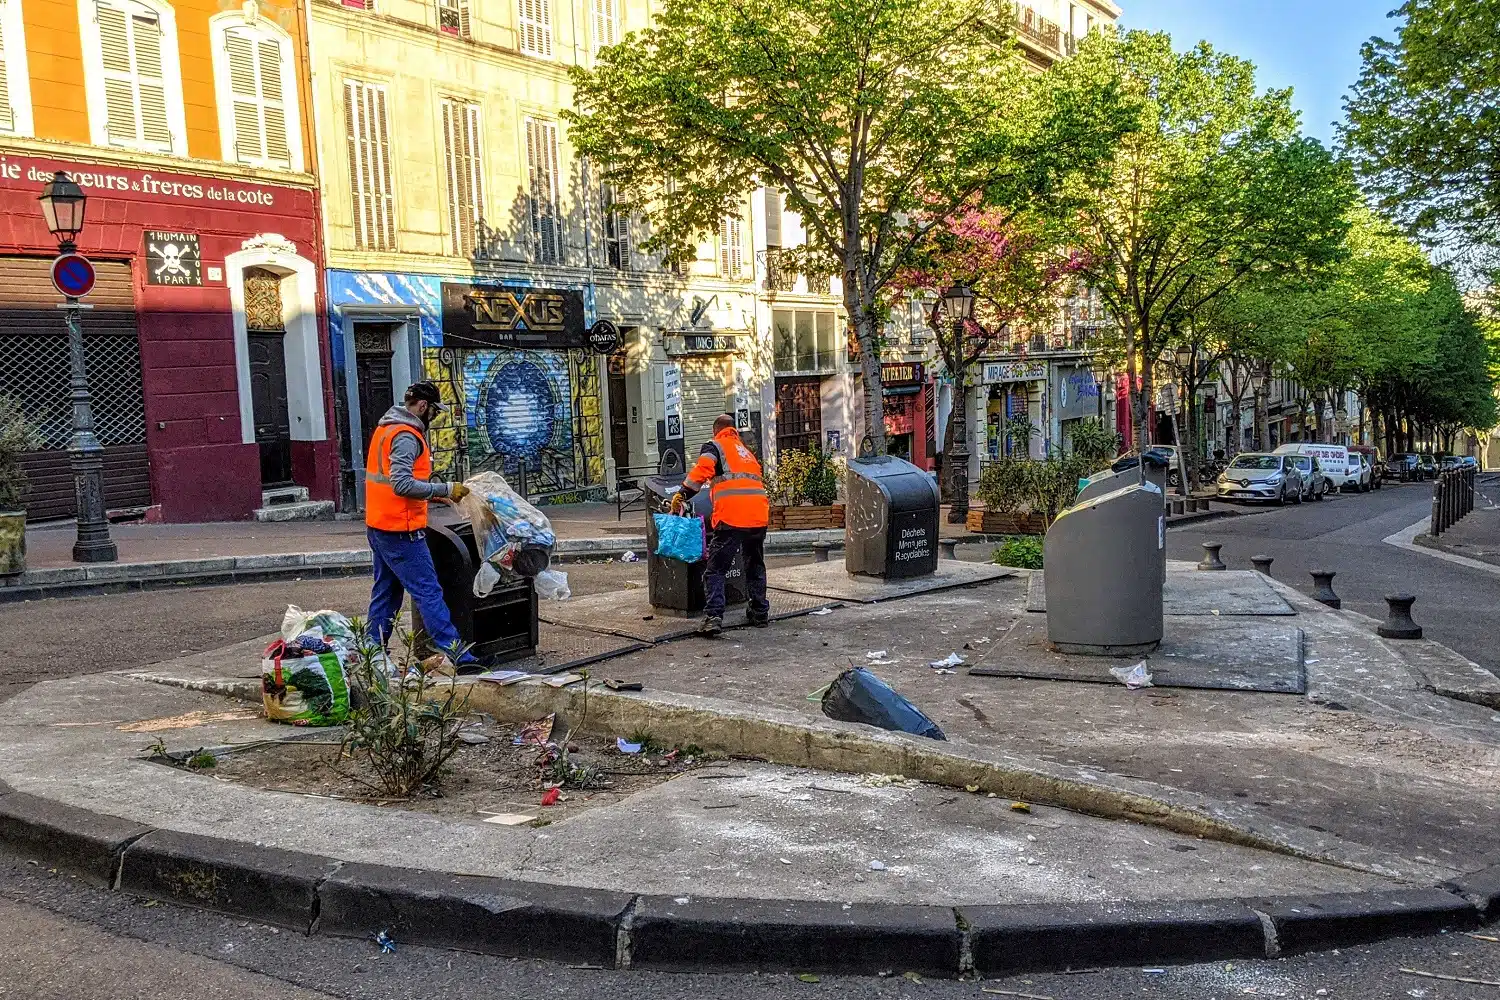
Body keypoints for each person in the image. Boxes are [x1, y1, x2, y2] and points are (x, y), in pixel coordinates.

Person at [364, 381, 476, 666]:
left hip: (379, 525)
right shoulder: (406, 436)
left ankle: (372, 652)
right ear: (423, 407)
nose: (435, 417)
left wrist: (439, 498)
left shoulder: (386, 428)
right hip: (401, 530)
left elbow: (391, 483)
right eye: (435, 412)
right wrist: (445, 489)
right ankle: (457, 653)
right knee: (428, 591)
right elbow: (401, 484)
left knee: (386, 592)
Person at [672, 414, 771, 636]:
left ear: (716, 430)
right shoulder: (746, 452)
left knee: (716, 569)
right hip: (758, 516)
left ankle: (713, 617)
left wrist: (683, 493)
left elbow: (703, 469)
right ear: (733, 429)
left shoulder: (715, 445)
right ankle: (759, 612)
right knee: (754, 564)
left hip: (732, 517)